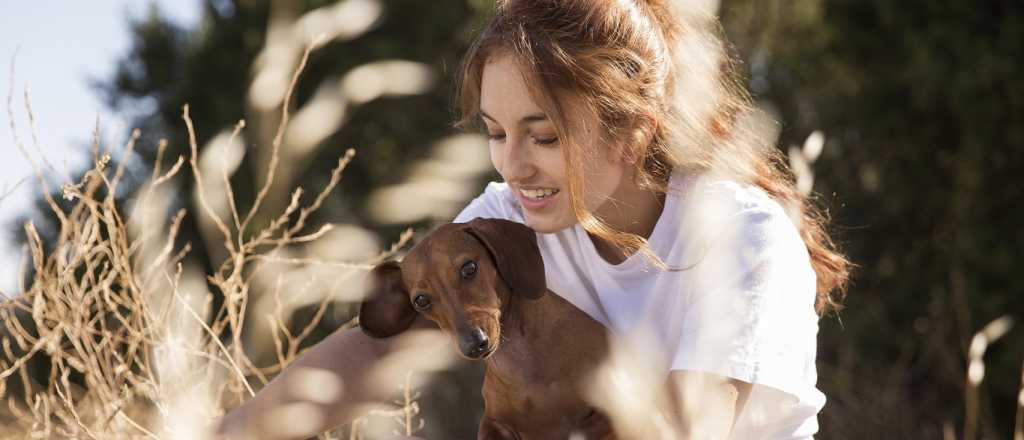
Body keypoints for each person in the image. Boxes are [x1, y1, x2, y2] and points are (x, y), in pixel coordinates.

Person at [217, 0, 850, 438]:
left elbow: (692, 427)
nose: (513, 166)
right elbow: (371, 350)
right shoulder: (508, 223)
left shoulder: (741, 235)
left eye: (543, 137)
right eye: (496, 134)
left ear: (632, 130)